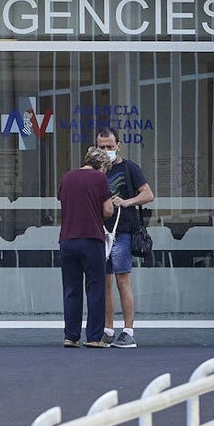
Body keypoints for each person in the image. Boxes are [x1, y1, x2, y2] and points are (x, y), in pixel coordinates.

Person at [95, 128, 155, 349]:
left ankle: (128, 331)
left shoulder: (129, 168)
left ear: (118, 146)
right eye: (101, 147)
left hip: (122, 232)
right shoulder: (94, 171)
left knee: (122, 280)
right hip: (100, 233)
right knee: (104, 282)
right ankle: (108, 329)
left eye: (110, 147)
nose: (106, 151)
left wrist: (127, 202)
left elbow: (148, 194)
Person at [57, 146, 115, 349]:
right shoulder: (99, 178)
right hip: (91, 238)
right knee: (95, 288)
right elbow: (108, 210)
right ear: (101, 166)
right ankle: (94, 337)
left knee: (71, 288)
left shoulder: (66, 177)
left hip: (67, 240)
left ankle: (71, 336)